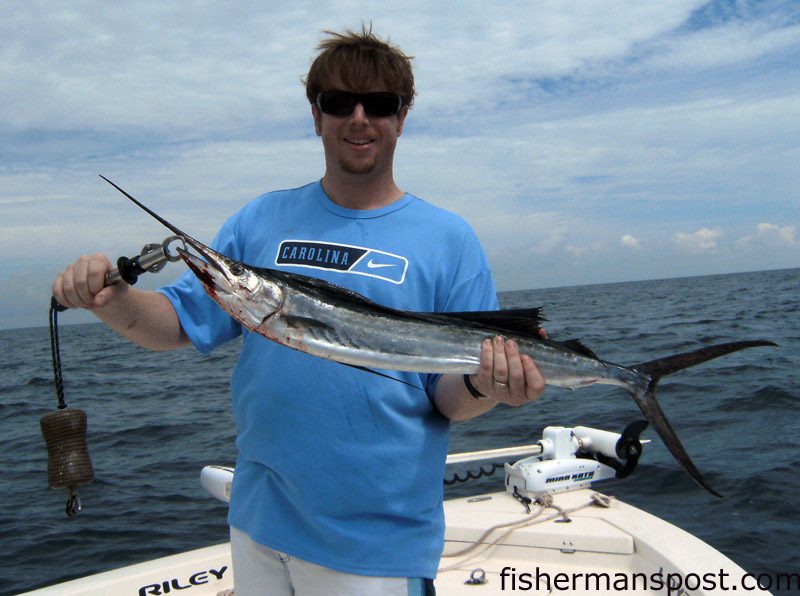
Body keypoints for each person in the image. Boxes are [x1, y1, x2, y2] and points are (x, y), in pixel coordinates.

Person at [52, 26, 545, 596]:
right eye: (338, 103)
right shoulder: (258, 221)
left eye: (379, 104)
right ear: (316, 116)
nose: (359, 118)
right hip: (259, 523)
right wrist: (111, 302)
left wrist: (487, 387)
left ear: (401, 118)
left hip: (374, 546)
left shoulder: (450, 241)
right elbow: (178, 322)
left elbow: (446, 397)